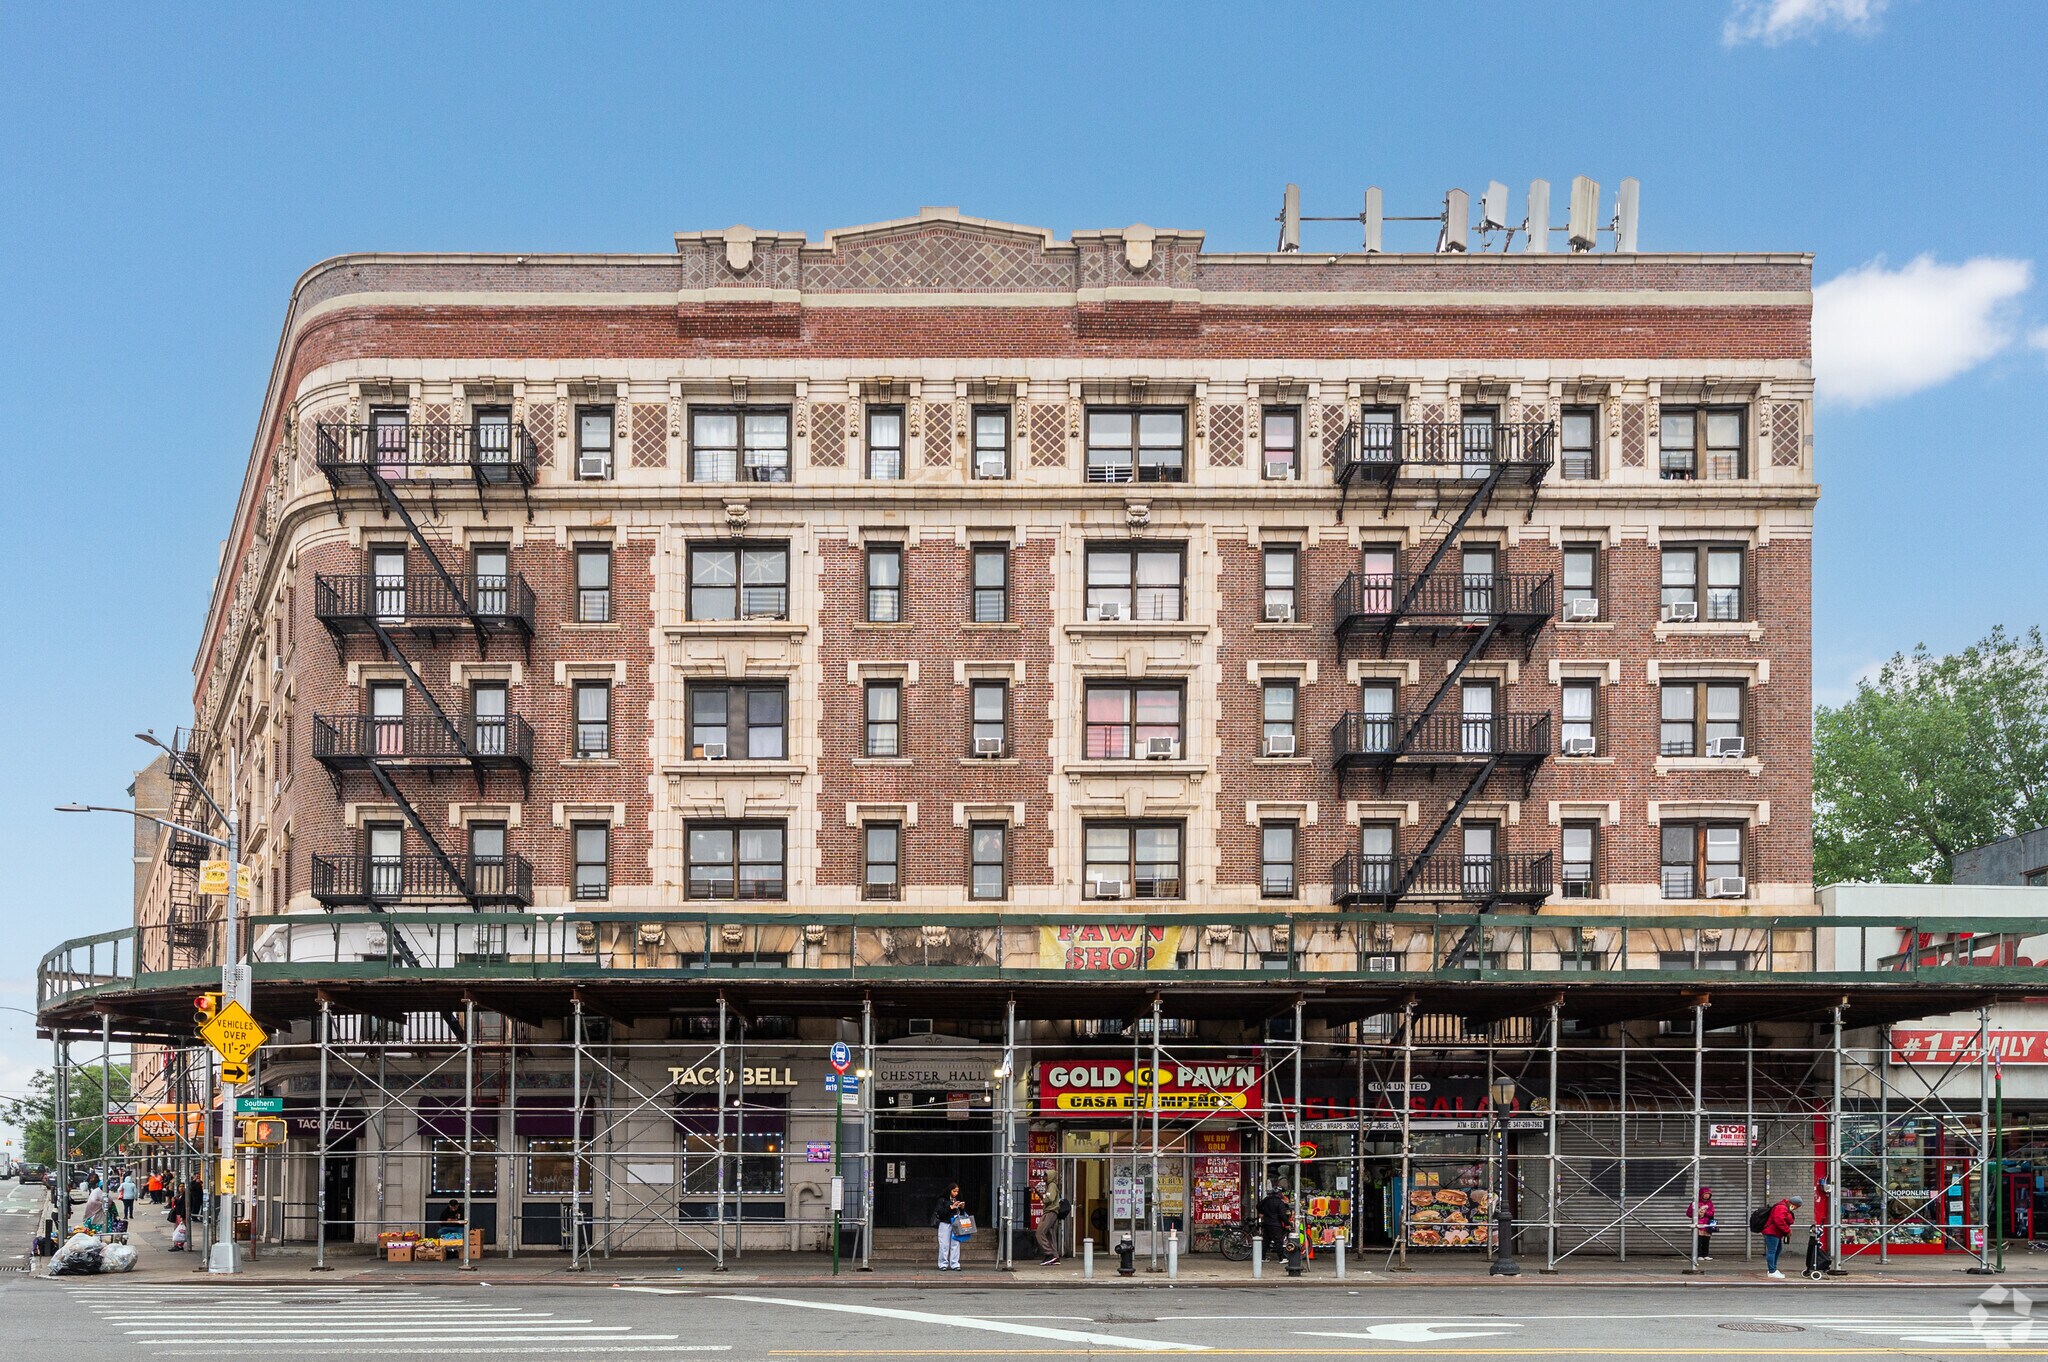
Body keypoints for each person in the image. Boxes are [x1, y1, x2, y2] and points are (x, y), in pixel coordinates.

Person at [1761, 1194, 1802, 1278]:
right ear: (1793, 1204)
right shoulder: (1781, 1207)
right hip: (1771, 1232)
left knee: (1778, 1249)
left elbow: (1787, 1219)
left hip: (1775, 1232)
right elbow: (1779, 1220)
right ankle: (1772, 1271)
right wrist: (1787, 1230)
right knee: (1772, 1250)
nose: (1797, 1209)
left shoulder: (1785, 1207)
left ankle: (1773, 1269)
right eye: (1797, 1207)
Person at [932, 1183, 966, 1271]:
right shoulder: (942, 1200)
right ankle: (943, 1263)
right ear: (949, 1191)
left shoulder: (957, 1199)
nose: (956, 1193)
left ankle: (955, 1264)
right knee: (944, 1244)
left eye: (957, 1191)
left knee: (955, 1244)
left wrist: (962, 1208)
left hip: (955, 1223)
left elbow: (961, 1214)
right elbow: (940, 1213)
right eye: (954, 1191)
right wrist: (951, 1207)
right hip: (945, 1223)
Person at [1257, 1183, 1292, 1262]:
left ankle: (1262, 1257)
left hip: (1266, 1223)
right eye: (1282, 1193)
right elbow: (1282, 1215)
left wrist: (1263, 1212)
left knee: (1266, 1241)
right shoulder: (1280, 1203)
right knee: (1278, 1241)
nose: (1283, 1194)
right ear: (1280, 1193)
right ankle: (1282, 1258)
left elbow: (1258, 1206)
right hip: (1275, 1224)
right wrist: (1287, 1224)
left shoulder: (1267, 1199)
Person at [1035, 1185, 1067, 1267]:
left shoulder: (1051, 1186)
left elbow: (1050, 1199)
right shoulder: (1050, 1186)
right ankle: (1055, 1257)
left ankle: (1049, 1254)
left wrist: (1042, 1196)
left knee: (1040, 1232)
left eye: (1046, 1175)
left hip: (1050, 1212)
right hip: (1052, 1212)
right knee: (1050, 1234)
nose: (1044, 1177)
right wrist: (1041, 1195)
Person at [1689, 1187, 1717, 1261]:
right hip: (1698, 1225)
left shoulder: (1710, 1203)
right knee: (1698, 1241)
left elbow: (1712, 1213)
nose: (1707, 1196)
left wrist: (1705, 1213)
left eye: (1708, 1194)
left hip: (1707, 1225)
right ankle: (1698, 1255)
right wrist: (1697, 1213)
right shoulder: (1695, 1203)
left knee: (1706, 1241)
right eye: (1705, 1194)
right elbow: (1688, 1213)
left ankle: (1706, 1254)